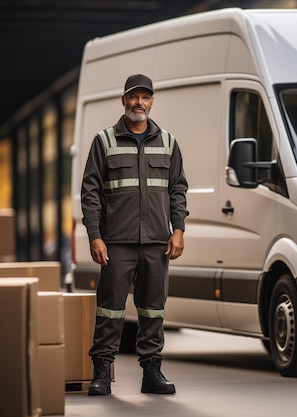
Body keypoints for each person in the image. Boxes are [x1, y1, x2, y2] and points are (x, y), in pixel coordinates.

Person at [81, 74, 189, 395]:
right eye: (133, 97)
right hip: (116, 243)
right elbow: (91, 193)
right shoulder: (105, 141)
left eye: (145, 97)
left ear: (152, 101)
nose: (138, 102)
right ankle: (102, 371)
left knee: (153, 309)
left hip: (157, 242)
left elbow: (177, 189)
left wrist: (178, 229)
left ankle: (151, 373)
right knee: (110, 309)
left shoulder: (168, 142)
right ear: (123, 100)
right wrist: (95, 236)